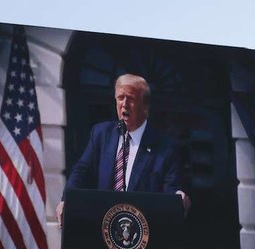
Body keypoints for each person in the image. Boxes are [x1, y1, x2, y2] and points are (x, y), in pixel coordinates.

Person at [56, 73, 190, 226]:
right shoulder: (101, 134)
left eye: (131, 99)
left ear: (145, 108)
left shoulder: (166, 147)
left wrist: (177, 196)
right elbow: (80, 171)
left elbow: (170, 190)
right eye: (120, 98)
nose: (124, 105)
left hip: (142, 230)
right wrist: (66, 200)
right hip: (103, 225)